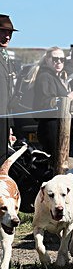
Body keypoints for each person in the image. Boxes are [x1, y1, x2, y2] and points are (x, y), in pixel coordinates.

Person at [32, 47, 73, 160]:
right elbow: (43, 103)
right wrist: (66, 97)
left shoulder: (53, 76)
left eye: (62, 59)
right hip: (51, 127)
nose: (59, 62)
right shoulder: (45, 77)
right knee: (57, 163)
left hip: (58, 126)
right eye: (55, 59)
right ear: (47, 60)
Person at [0, 14, 17, 166]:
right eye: (3, 32)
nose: (7, 36)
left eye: (9, 33)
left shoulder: (6, 58)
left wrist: (9, 126)